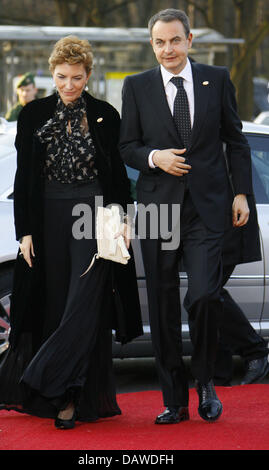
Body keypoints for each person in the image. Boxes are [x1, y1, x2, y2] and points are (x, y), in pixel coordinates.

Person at [0, 36, 142, 430]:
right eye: (61, 77)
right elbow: (24, 178)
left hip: (94, 217)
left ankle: (50, 382)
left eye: (77, 77)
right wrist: (25, 233)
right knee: (55, 305)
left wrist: (123, 218)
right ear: (51, 74)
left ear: (88, 75)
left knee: (85, 304)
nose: (69, 84)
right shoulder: (32, 114)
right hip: (48, 219)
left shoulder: (106, 114)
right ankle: (63, 393)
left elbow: (119, 177)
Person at [119, 8, 253, 423]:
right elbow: (127, 148)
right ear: (152, 44)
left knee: (205, 296)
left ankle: (206, 383)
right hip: (158, 210)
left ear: (190, 40)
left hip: (206, 210)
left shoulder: (217, 80)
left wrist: (242, 193)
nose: (167, 49)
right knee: (160, 306)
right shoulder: (137, 86)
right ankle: (173, 400)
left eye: (175, 40)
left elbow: (236, 142)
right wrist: (155, 157)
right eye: (159, 42)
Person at [214, 188, 269, 386]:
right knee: (205, 295)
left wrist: (241, 195)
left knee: (204, 292)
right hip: (203, 220)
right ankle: (220, 373)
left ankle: (254, 350)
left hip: (229, 217)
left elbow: (239, 159)